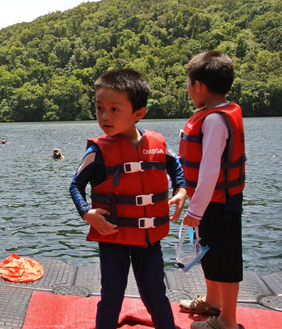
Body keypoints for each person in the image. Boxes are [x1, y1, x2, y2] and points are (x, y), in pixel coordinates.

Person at [69, 69, 187, 329]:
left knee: (156, 295)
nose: (104, 116)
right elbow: (75, 186)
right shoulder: (97, 151)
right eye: (99, 108)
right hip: (112, 237)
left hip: (149, 241)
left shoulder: (157, 143)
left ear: (138, 114)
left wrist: (181, 190)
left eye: (114, 109)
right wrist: (86, 212)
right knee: (111, 297)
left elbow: (175, 166)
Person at [177, 51, 246, 329]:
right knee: (209, 251)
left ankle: (227, 320)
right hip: (210, 202)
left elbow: (209, 172)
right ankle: (212, 302)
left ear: (199, 86)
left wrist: (195, 211)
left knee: (225, 257)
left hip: (219, 202)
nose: (188, 89)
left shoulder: (215, 121)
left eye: (188, 83)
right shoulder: (214, 115)